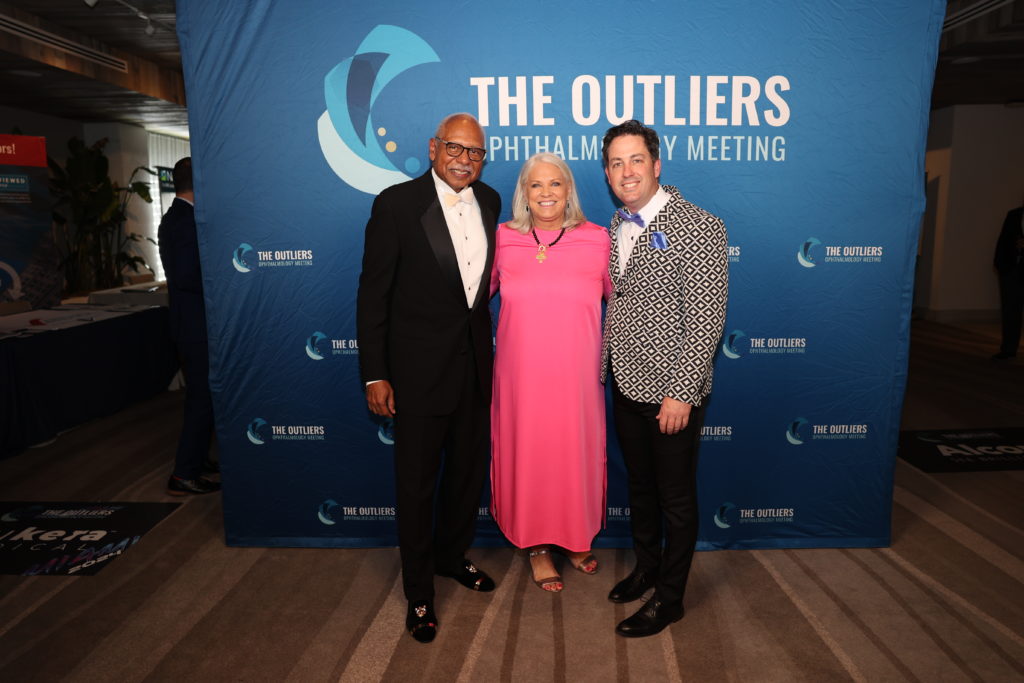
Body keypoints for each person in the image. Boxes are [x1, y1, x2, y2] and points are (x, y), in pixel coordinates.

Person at [356, 113, 500, 644]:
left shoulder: (491, 202)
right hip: (415, 376)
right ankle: (419, 592)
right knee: (416, 489)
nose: (465, 160)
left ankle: (450, 557)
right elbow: (373, 296)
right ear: (434, 148)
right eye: (455, 148)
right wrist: (375, 374)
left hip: (473, 372)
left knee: (465, 478)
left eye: (475, 152)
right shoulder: (396, 205)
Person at [600, 120, 728, 637]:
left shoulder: (699, 225)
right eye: (616, 163)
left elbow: (706, 318)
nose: (626, 171)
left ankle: (670, 598)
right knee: (641, 488)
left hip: (672, 395)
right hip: (625, 382)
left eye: (636, 160)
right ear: (607, 174)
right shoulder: (616, 223)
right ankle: (647, 569)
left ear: (656, 165)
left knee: (675, 498)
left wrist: (681, 392)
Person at [489, 153, 611, 592]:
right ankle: (537, 546)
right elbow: (469, 298)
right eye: (536, 184)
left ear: (568, 190)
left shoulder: (598, 239)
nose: (546, 193)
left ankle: (575, 539)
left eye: (555, 184)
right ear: (524, 192)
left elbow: (624, 304)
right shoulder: (503, 238)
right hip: (521, 379)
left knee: (574, 456)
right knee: (530, 457)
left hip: (577, 378)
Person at [158, 157, 220, 496]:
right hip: (195, 324)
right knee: (201, 398)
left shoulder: (179, 216)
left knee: (205, 396)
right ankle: (183, 474)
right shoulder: (183, 221)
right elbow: (186, 276)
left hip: (193, 322)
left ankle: (197, 461)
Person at [993, 202, 1024, 360]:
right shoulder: (1013, 215)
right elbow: (1004, 240)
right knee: (1010, 311)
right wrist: (1000, 266)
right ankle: (1008, 349)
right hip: (1012, 270)